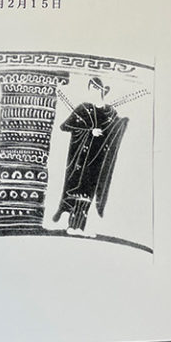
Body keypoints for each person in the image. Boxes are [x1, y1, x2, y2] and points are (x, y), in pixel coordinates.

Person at [52, 77, 128, 234]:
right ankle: (72, 225)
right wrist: (89, 131)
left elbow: (114, 131)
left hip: (99, 157)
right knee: (78, 188)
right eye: (90, 90)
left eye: (95, 89)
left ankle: (80, 226)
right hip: (82, 156)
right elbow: (65, 126)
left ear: (102, 91)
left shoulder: (110, 113)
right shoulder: (84, 109)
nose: (92, 93)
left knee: (89, 191)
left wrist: (122, 123)